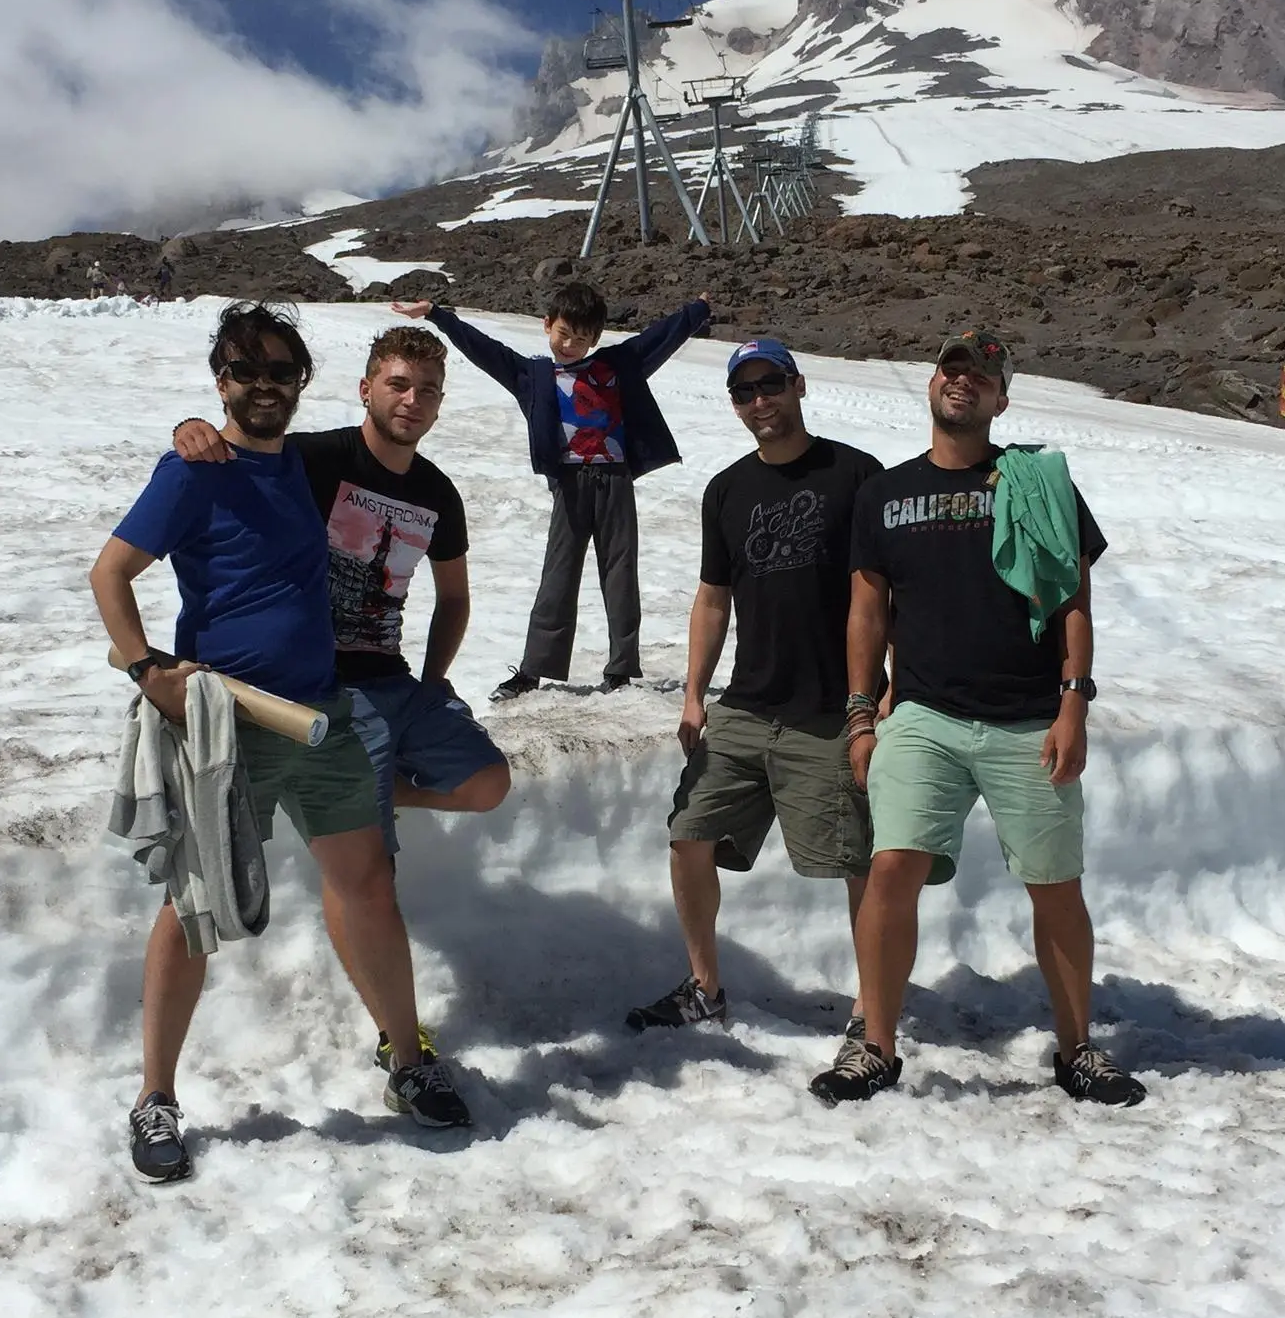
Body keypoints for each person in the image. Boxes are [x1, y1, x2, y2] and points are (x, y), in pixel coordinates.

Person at [91, 304, 469, 1187]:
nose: (262, 385)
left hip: (319, 714)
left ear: (301, 382)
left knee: (368, 884)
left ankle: (408, 1060)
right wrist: (150, 668)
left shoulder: (306, 466)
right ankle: (155, 1097)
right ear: (220, 379)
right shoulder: (192, 473)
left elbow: (384, 442)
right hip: (228, 722)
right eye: (243, 370)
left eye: (280, 370)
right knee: (194, 905)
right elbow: (110, 572)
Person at [809, 329, 1146, 1108]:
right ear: (932, 385)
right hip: (924, 714)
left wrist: (1074, 703)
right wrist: (862, 715)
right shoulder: (884, 495)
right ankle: (877, 1049)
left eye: (980, 376)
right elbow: (866, 612)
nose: (962, 382)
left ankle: (1078, 1050)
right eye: (951, 369)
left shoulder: (1039, 485)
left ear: (1001, 399)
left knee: (1055, 885)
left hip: (1030, 719)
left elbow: (1072, 603)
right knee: (893, 868)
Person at [170, 323, 510, 1094]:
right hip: (324, 683)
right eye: (396, 383)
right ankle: (400, 1039)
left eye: (426, 390)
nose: (411, 401)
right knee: (366, 874)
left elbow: (453, 597)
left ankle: (364, 793)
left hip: (392, 677)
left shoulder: (436, 492)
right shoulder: (313, 458)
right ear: (365, 388)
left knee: (487, 783)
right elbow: (235, 449)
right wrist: (188, 427)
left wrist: (434, 678)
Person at [630, 340, 882, 1048]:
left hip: (834, 711)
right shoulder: (728, 489)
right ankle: (705, 988)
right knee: (689, 833)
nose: (760, 400)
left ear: (799, 386)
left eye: (771, 384)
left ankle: (872, 1010)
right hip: (747, 704)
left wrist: (885, 695)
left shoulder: (856, 474)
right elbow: (713, 598)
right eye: (745, 392)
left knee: (854, 861)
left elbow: (891, 592)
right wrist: (694, 695)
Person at [391, 282, 709, 699]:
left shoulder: (616, 366)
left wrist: (696, 311)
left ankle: (621, 669)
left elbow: (658, 339)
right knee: (557, 577)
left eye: (581, 338)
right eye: (563, 334)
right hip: (571, 485)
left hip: (614, 480)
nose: (570, 345)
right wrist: (437, 314)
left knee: (620, 574)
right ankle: (533, 669)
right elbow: (484, 350)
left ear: (595, 339)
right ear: (546, 326)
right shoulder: (533, 376)